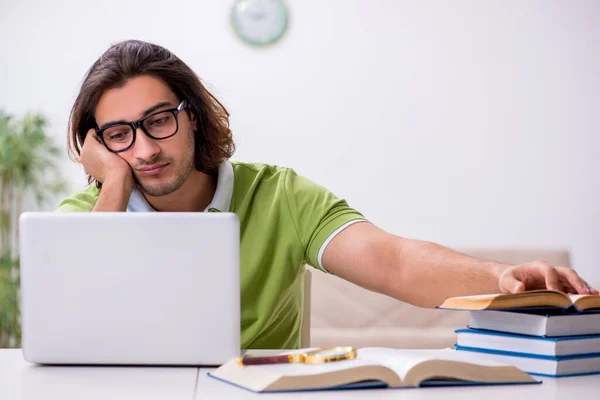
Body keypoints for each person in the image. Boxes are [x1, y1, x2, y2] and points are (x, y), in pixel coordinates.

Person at [58, 40, 598, 349]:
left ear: (192, 117)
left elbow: (394, 262)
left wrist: (500, 279)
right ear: (97, 146)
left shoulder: (279, 195)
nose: (146, 148)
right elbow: (72, 324)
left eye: (158, 121)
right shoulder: (82, 221)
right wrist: (115, 188)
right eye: (119, 135)